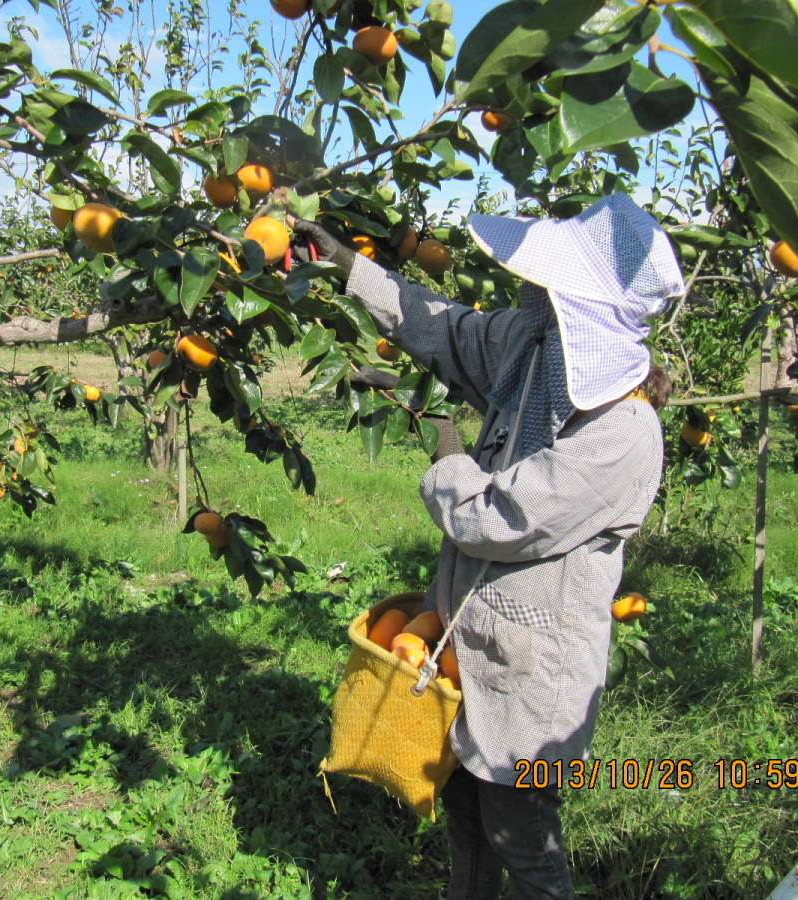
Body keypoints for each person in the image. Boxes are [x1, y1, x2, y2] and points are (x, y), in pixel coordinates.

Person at [292, 193, 683, 899]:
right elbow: (447, 329)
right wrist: (351, 268)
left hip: (531, 683)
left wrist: (445, 442)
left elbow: (499, 518)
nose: (534, 296)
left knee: (525, 843)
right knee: (467, 820)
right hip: (469, 647)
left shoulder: (622, 432)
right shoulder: (538, 357)